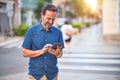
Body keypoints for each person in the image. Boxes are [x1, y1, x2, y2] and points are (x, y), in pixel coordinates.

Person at [22, 4, 64, 80]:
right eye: (48, 18)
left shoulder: (58, 32)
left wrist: (58, 53)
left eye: (53, 19)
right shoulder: (31, 31)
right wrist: (41, 51)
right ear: (42, 15)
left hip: (53, 75)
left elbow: (60, 53)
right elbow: (24, 53)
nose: (51, 22)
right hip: (35, 75)